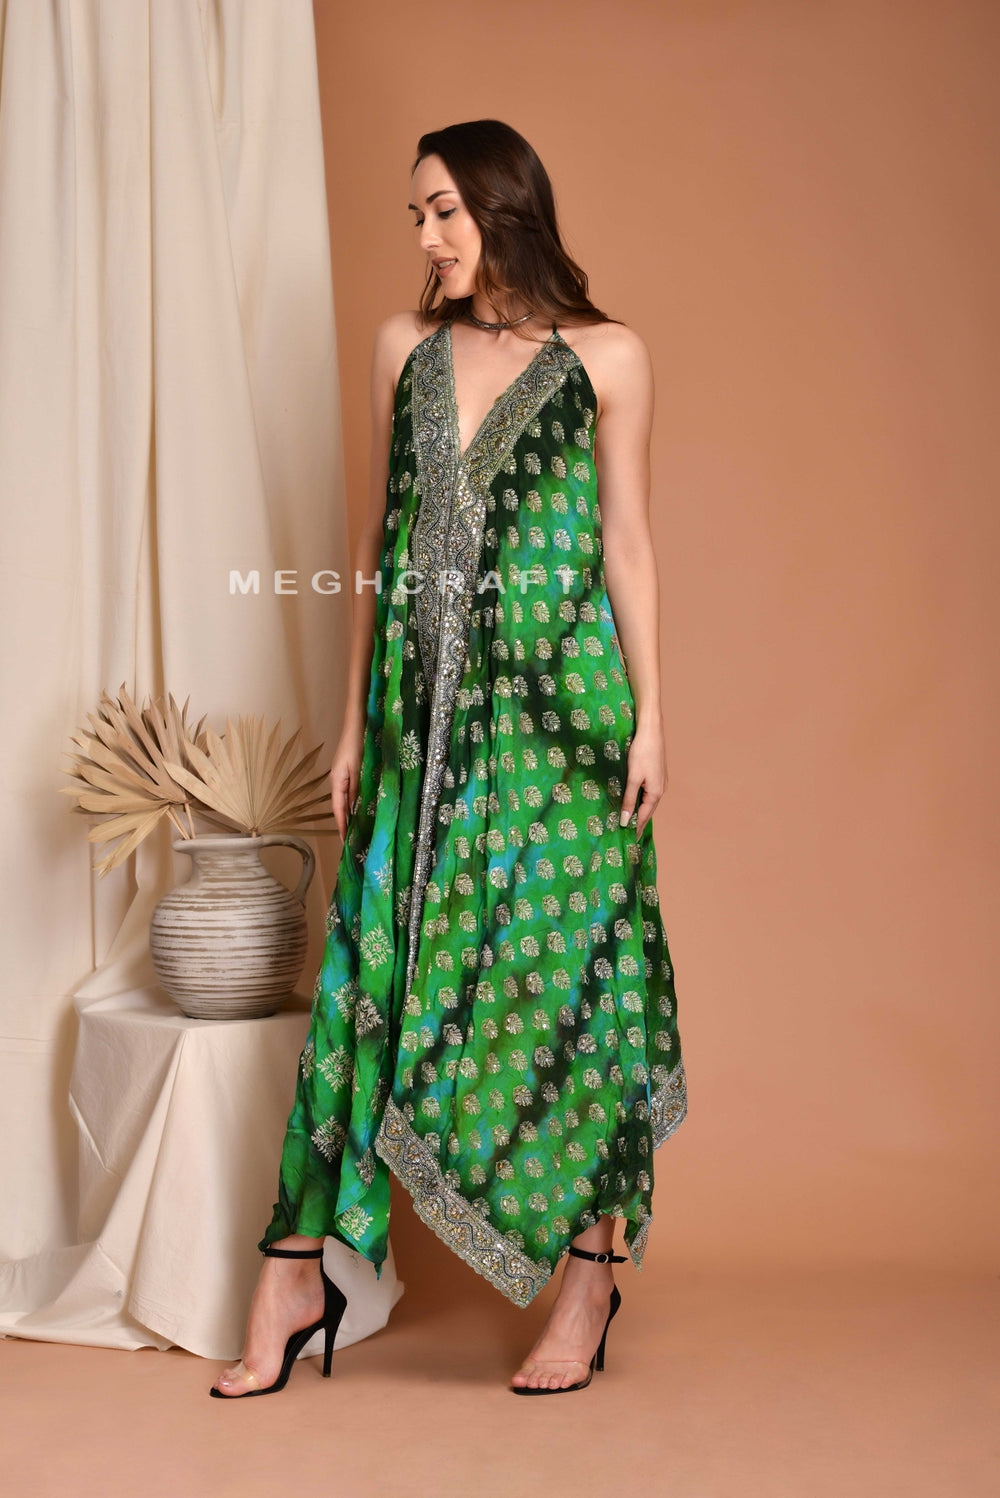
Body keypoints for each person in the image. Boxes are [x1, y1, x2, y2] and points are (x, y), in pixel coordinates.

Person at [210, 118, 687, 1400]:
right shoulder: (403, 349)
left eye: (442, 211)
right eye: (415, 216)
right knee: (368, 973)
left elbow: (626, 542)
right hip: (418, 726)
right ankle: (292, 1270)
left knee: (576, 986)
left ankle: (589, 1274)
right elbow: (378, 541)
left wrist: (651, 715)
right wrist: (353, 717)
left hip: (562, 729)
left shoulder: (607, 357)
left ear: (502, 205)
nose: (425, 237)